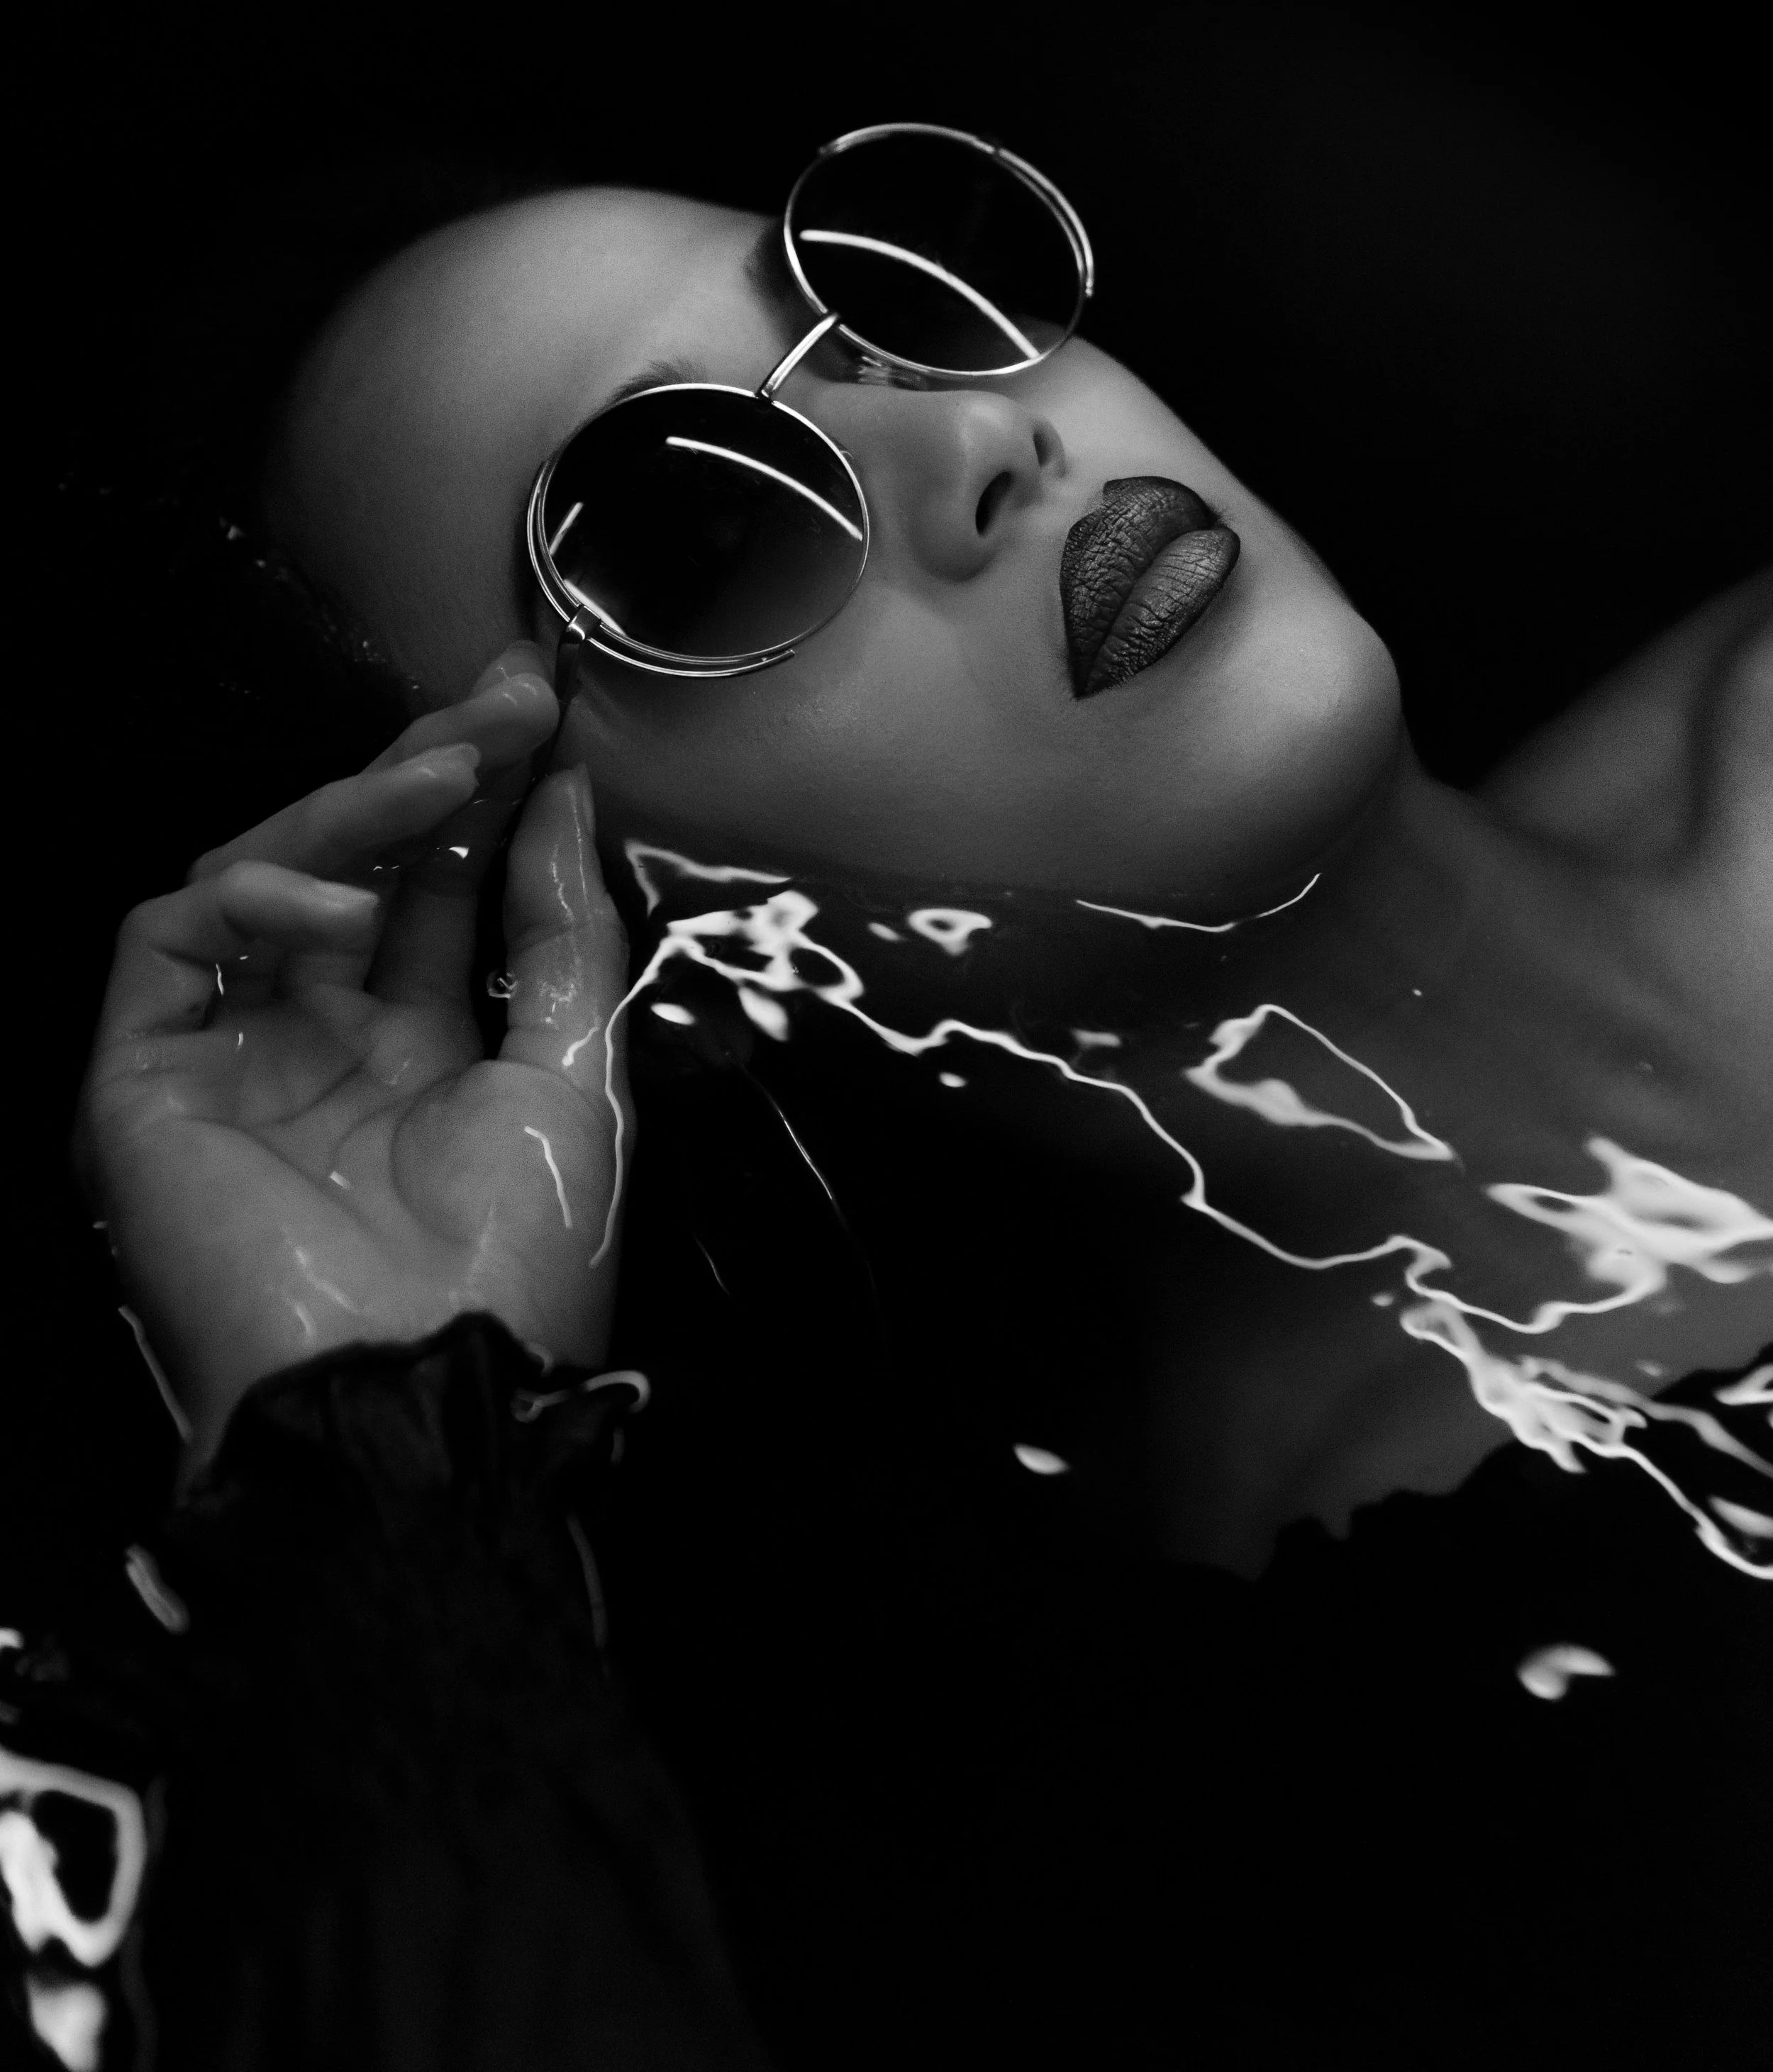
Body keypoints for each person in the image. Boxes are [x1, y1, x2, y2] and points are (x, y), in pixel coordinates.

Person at [8, 137, 1770, 2068]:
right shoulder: (1311, 1794)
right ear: (620, 945)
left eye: (899, 303)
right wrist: (383, 1455)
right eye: (695, 534)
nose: (986, 452)